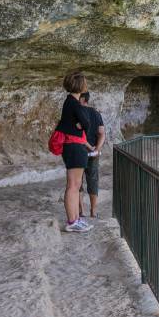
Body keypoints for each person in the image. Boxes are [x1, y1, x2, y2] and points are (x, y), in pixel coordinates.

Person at [57, 72, 93, 233]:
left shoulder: (69, 102)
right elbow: (87, 123)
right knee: (73, 186)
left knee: (75, 185)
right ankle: (72, 221)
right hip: (75, 147)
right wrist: (81, 124)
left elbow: (70, 124)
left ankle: (75, 219)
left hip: (72, 147)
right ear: (81, 86)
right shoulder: (75, 104)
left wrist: (79, 125)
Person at [77, 91, 105, 219]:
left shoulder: (77, 113)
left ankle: (81, 211)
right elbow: (102, 133)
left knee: (77, 182)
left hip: (77, 151)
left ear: (82, 98)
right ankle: (93, 212)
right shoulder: (96, 113)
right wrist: (97, 149)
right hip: (93, 152)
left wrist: (90, 147)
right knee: (93, 180)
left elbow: (78, 136)